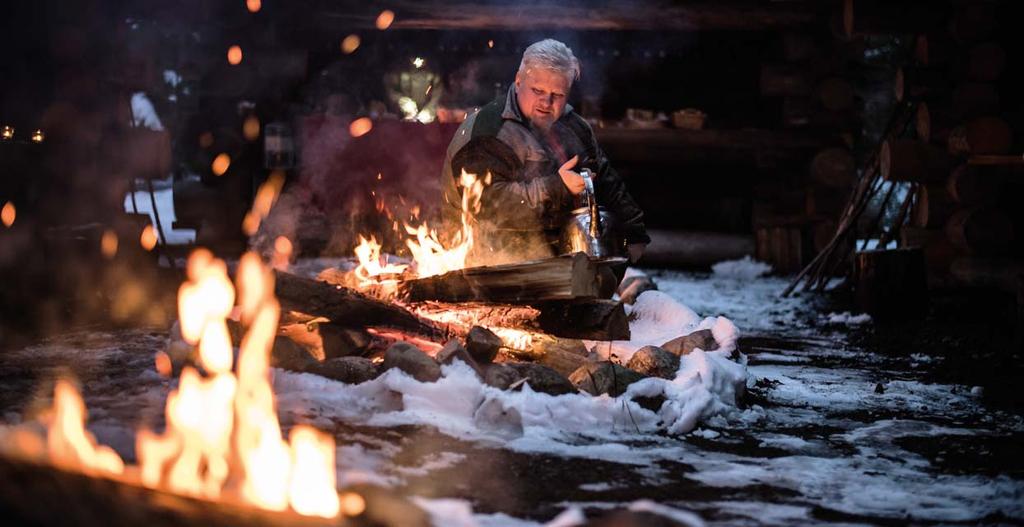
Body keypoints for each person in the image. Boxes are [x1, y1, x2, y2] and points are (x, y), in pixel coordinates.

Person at [440, 38, 649, 266]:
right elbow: (488, 206)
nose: (546, 102)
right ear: (518, 81)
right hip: (487, 262)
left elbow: (605, 179)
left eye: (557, 95)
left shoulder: (574, 127)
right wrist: (559, 188)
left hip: (558, 258)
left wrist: (633, 231)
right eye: (537, 90)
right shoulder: (487, 132)